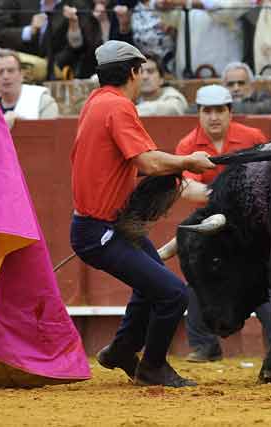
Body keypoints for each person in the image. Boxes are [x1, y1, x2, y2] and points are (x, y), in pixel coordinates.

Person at [70, 40, 215, 387]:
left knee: (152, 283)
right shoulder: (118, 107)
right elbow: (148, 162)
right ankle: (152, 366)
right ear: (134, 72)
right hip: (100, 230)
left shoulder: (96, 103)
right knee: (173, 293)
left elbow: (128, 165)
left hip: (106, 224)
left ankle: (122, 349)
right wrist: (187, 161)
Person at [174, 84, 271, 362]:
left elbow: (268, 179)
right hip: (213, 232)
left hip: (252, 228)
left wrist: (216, 196)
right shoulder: (188, 145)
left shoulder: (252, 137)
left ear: (231, 112)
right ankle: (205, 345)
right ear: (198, 114)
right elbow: (186, 189)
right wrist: (229, 197)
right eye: (207, 111)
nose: (214, 117)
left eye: (220, 110)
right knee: (198, 275)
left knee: (265, 277)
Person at [0, 50, 59, 128]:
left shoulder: (43, 101)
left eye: (11, 71)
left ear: (21, 75)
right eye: (0, 72)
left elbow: (50, 134)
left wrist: (21, 123)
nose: (6, 76)